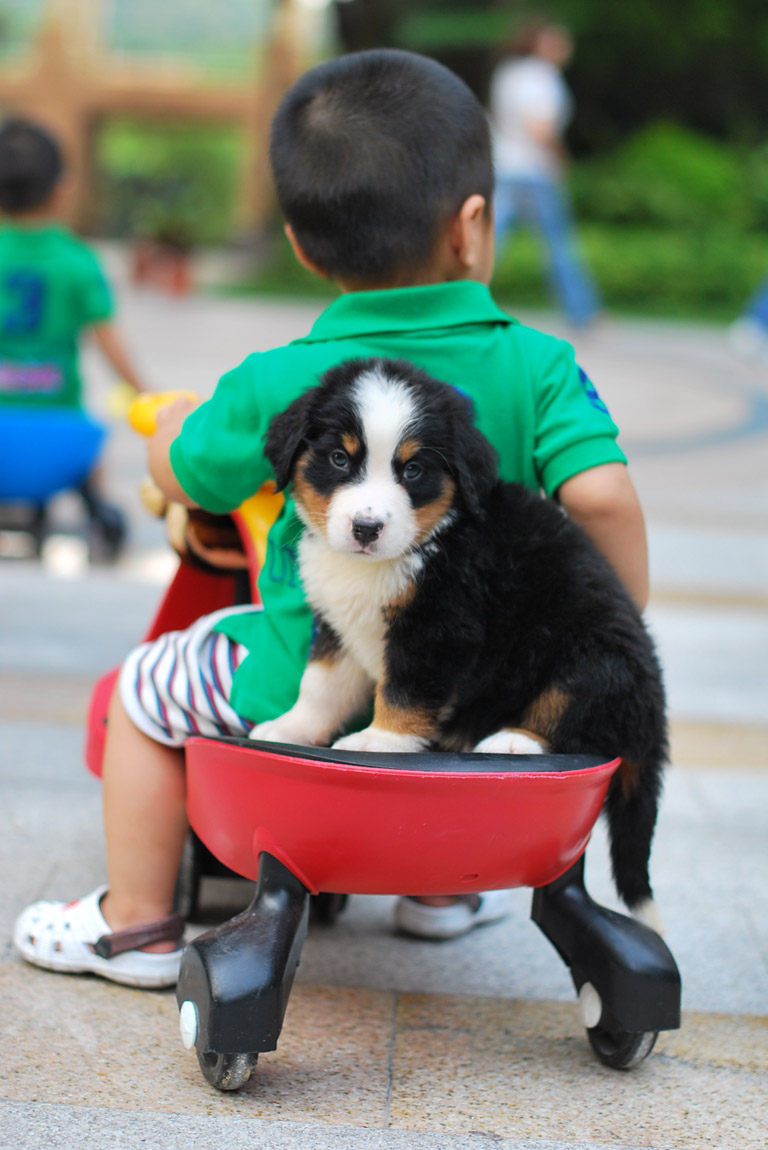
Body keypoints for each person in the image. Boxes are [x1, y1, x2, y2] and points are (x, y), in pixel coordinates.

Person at [14, 49, 650, 985]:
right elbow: (600, 496)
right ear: (473, 227)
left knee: (149, 688)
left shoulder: (280, 380)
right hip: (483, 689)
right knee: (459, 674)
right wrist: (615, 624)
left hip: (308, 676)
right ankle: (442, 890)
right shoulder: (541, 365)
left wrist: (178, 427)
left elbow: (181, 470)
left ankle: (138, 924)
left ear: (302, 245)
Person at [0, 119, 147, 550]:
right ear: (62, 188)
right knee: (93, 432)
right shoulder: (77, 261)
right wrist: (146, 396)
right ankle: (97, 506)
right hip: (59, 451)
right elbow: (109, 343)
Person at [489, 21, 600, 329]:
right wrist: (560, 157)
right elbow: (540, 128)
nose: (566, 48)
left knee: (490, 240)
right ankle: (582, 312)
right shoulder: (542, 76)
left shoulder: (508, 72)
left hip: (505, 166)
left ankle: (453, 300)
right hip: (535, 169)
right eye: (560, 42)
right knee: (560, 244)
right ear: (543, 44)